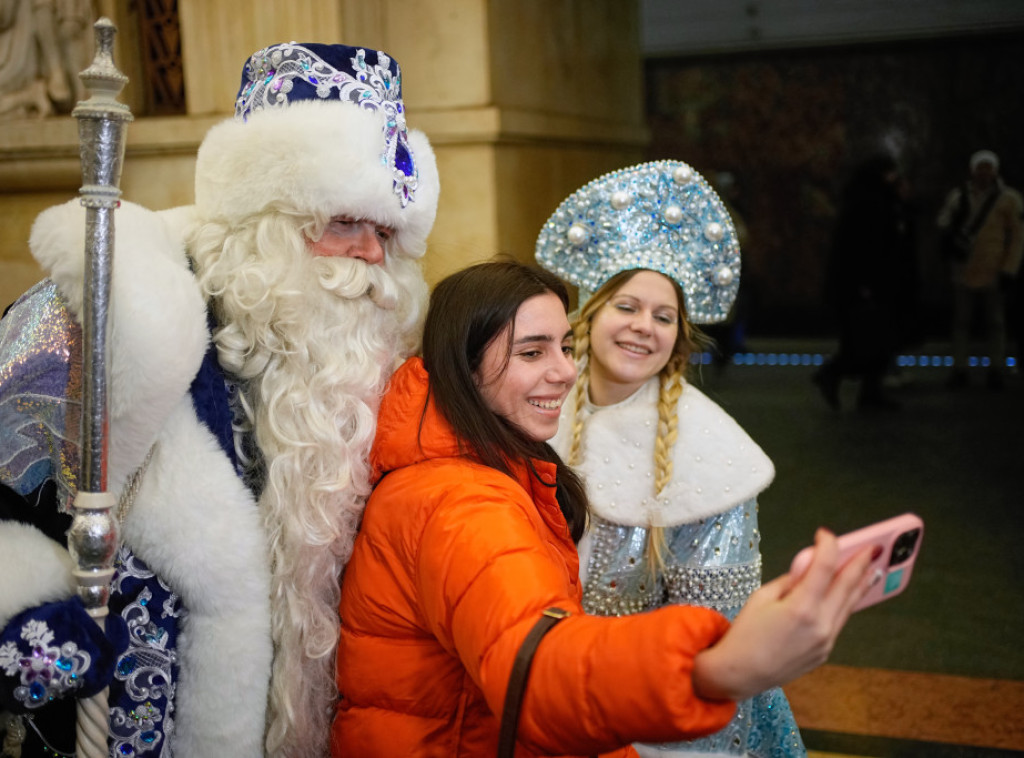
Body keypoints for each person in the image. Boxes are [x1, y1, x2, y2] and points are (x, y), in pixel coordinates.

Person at [0, 41, 438, 757]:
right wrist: (22, 623)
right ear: (269, 218)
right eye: (343, 223)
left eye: (386, 232)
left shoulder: (369, 371)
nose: (369, 258)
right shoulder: (104, 311)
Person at [331, 259, 872, 757]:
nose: (564, 370)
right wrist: (714, 672)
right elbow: (539, 672)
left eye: (564, 347)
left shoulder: (490, 453)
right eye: (532, 351)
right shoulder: (462, 500)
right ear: (463, 365)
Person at [535, 160, 804, 756]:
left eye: (664, 316)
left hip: (640, 717)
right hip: (530, 691)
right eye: (626, 307)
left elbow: (711, 642)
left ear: (679, 337)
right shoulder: (532, 403)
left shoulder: (709, 455)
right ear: (591, 315)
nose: (643, 328)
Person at [811, 153, 914, 411]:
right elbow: (868, 249)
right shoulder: (872, 204)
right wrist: (866, 285)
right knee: (868, 341)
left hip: (862, 286)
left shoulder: (864, 201)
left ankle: (863, 390)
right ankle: (842, 380)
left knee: (867, 341)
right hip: (867, 287)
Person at [936, 149, 1023, 390]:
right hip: (964, 268)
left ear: (995, 170)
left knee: (994, 322)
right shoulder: (959, 196)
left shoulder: (1009, 199)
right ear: (973, 170)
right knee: (962, 321)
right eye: (980, 167)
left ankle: (995, 368)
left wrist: (1009, 269)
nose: (984, 173)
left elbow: (1017, 237)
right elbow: (943, 221)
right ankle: (960, 369)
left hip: (994, 269)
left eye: (988, 167)